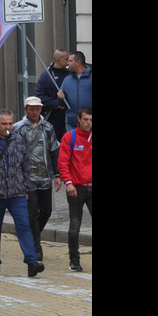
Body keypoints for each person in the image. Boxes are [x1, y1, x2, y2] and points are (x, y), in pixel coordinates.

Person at [0, 110, 44, 277]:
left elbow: (26, 166)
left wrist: (26, 188)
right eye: (4, 124)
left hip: (16, 192)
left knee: (24, 225)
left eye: (10, 123)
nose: (8, 127)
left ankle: (32, 262)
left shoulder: (18, 140)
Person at [14, 97, 61, 262]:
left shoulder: (48, 127)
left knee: (46, 211)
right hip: (27, 179)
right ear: (26, 109)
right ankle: (36, 247)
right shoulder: (18, 128)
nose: (34, 112)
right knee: (32, 212)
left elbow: (54, 150)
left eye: (37, 109)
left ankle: (31, 235)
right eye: (31, 109)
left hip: (45, 176)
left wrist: (57, 175)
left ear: (41, 110)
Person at [58, 107, 92, 272]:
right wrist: (69, 183)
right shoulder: (69, 137)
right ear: (78, 120)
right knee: (74, 226)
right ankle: (74, 259)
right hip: (76, 189)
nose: (88, 123)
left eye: (91, 120)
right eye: (85, 119)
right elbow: (63, 163)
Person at [34, 49, 71, 142]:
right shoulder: (46, 76)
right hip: (54, 116)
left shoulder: (70, 73)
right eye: (66, 60)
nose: (68, 63)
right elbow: (39, 96)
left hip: (70, 114)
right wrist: (56, 103)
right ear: (58, 60)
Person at [59, 51, 92, 130]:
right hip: (71, 123)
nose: (67, 63)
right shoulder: (67, 80)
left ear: (78, 62)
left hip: (89, 123)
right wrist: (60, 98)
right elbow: (61, 105)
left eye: (70, 61)